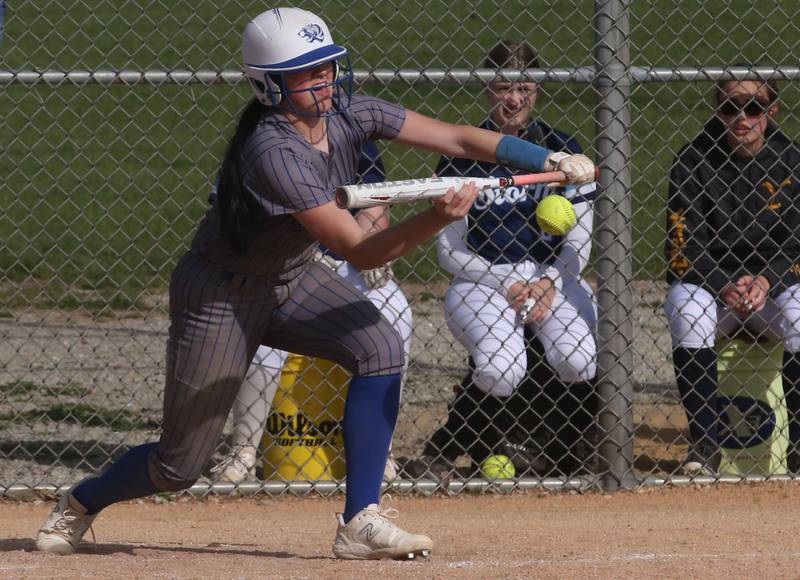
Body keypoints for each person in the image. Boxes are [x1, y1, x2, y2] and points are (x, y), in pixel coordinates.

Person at [35, 7, 594, 560]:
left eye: (326, 64)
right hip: (221, 297)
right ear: (269, 85)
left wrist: (549, 155)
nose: (323, 78)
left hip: (291, 277)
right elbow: (360, 248)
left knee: (379, 345)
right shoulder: (273, 152)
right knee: (179, 465)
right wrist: (439, 218)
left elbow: (457, 138)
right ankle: (82, 501)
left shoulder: (348, 111)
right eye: (306, 72)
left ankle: (360, 520)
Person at [404, 40, 598, 479]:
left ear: (538, 91)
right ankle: (453, 444)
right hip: (482, 279)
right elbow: (450, 251)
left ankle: (574, 450)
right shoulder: (462, 154)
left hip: (554, 274)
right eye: (503, 87)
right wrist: (505, 283)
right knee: (500, 370)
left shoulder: (564, 150)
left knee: (579, 360)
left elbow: (579, 241)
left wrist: (549, 281)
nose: (514, 98)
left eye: (525, 87)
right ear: (487, 90)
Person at [213, 141, 412, 484]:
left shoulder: (355, 138)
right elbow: (236, 219)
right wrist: (292, 254)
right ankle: (243, 451)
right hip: (281, 263)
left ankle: (381, 452)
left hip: (347, 258)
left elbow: (374, 205)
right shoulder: (260, 140)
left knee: (395, 309)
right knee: (260, 329)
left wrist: (372, 247)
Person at [664, 72, 800, 476]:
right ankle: (705, 446)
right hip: (713, 288)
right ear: (717, 111)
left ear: (771, 111)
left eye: (754, 107)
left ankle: (799, 446)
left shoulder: (792, 160)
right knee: (687, 310)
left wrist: (766, 281)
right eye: (729, 107)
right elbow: (682, 248)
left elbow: (797, 242)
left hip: (773, 289)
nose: (742, 117)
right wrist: (724, 283)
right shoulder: (692, 161)